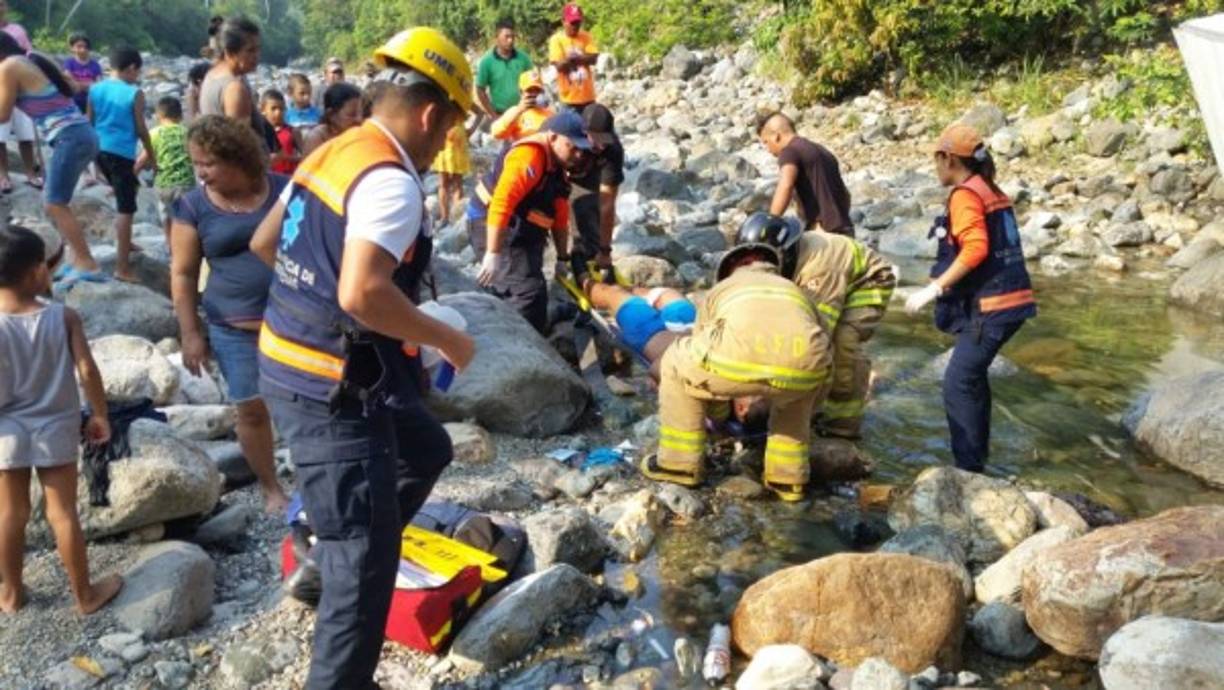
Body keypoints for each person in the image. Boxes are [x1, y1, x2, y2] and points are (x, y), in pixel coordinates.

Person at [248, 27, 475, 689]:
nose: (444, 147)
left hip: (290, 358)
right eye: (451, 129)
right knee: (366, 564)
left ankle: (323, 561)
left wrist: (329, 307)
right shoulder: (392, 182)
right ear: (433, 115)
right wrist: (443, 337)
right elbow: (361, 289)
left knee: (426, 448)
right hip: (332, 390)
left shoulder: (337, 150)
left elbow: (267, 243)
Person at [645, 241, 832, 501]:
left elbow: (702, 345)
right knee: (796, 400)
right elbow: (823, 337)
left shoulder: (723, 288)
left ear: (732, 268)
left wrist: (721, 408)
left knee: (677, 360)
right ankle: (788, 480)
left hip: (731, 365)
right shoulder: (794, 290)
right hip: (806, 370)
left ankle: (679, 465)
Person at [0, 225, 124, 615]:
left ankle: (12, 594)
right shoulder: (63, 317)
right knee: (63, 513)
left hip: (6, 428)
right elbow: (87, 370)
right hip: (55, 424)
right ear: (38, 270)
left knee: (10, 513)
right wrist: (100, 413)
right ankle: (84, 595)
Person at [170, 115, 289, 514]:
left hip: (294, 321)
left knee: (310, 402)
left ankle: (318, 473)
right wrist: (190, 332)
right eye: (196, 164)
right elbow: (183, 273)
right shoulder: (192, 205)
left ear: (238, 158)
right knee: (251, 408)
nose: (201, 174)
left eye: (209, 164)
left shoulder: (283, 191)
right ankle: (271, 487)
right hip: (233, 327)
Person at [905, 124, 1036, 473]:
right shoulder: (990, 189)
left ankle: (968, 470)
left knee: (958, 383)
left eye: (936, 160)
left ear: (948, 159)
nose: (935, 168)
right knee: (972, 377)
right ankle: (979, 460)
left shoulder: (966, 195)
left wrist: (933, 289)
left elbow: (976, 248)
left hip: (992, 307)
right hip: (1014, 301)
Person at [733, 213, 896, 439]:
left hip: (867, 282)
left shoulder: (819, 271)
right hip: (830, 281)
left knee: (842, 347)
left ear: (784, 255)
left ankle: (842, 427)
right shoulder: (784, 260)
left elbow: (817, 336)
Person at [468, 111, 591, 333]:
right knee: (527, 293)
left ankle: (537, 324)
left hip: (523, 229)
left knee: (534, 288)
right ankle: (514, 346)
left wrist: (562, 258)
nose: (578, 154)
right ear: (553, 137)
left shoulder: (557, 166)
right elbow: (501, 203)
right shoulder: (529, 156)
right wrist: (493, 253)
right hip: (490, 223)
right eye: (572, 146)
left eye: (581, 149)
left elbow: (560, 216)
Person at [0, 33, 103, 283]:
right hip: (79, 134)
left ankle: (87, 263)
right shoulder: (29, 60)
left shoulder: (9, 67)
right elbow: (74, 87)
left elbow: (2, 115)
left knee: (54, 203)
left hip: (70, 137)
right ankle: (77, 259)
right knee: (57, 201)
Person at [88, 46, 156, 284]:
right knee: (126, 208)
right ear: (131, 68)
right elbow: (140, 127)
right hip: (121, 153)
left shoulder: (95, 89)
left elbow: (90, 121)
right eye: (137, 72)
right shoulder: (134, 93)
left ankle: (126, 241)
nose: (137, 76)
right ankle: (122, 267)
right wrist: (151, 154)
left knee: (127, 190)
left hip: (99, 149)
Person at [757, 112, 854, 237]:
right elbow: (846, 195)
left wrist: (770, 222)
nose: (767, 148)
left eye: (766, 142)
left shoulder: (789, 151)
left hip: (824, 234)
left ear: (776, 136)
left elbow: (786, 185)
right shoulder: (823, 152)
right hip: (846, 230)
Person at [569, 103, 622, 280]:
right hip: (561, 167)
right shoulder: (568, 135)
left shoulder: (612, 150)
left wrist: (605, 250)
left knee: (588, 214)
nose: (601, 145)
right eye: (595, 139)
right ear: (583, 133)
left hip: (590, 174)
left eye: (604, 139)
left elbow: (607, 204)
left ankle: (587, 260)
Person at [136, 97, 194, 247]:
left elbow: (142, 160)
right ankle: (187, 246)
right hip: (186, 183)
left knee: (166, 217)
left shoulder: (154, 133)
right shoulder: (187, 132)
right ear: (180, 116)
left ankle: (170, 248)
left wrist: (130, 176)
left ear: (158, 116)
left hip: (163, 184)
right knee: (185, 218)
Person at [0, 0, 40, 193]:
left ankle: (31, 173)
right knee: (0, 135)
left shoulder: (17, 30)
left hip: (21, 88)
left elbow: (29, 54)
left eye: (1, 4)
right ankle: (3, 176)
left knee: (26, 135)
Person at [200, 17, 262, 136]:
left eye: (258, 49)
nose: (256, 56)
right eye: (250, 50)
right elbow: (241, 143)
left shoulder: (212, 75)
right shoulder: (234, 89)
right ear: (229, 52)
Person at [475, 18, 533, 119]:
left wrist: (529, 99)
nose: (510, 40)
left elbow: (532, 81)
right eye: (506, 37)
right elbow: (480, 90)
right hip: (502, 115)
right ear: (496, 38)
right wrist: (493, 115)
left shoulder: (523, 58)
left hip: (525, 111)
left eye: (512, 37)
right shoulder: (486, 62)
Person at [548, 3, 599, 115]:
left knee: (591, 130)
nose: (575, 26)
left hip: (588, 97)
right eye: (572, 23)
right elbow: (560, 66)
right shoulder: (556, 40)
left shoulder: (586, 36)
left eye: (578, 22)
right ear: (563, 21)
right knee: (569, 131)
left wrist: (572, 59)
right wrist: (582, 58)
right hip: (569, 100)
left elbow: (594, 58)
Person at [490, 69, 552, 142]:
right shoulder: (515, 112)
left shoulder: (549, 112)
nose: (534, 93)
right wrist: (519, 110)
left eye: (537, 90)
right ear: (521, 92)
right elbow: (496, 133)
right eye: (530, 90)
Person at [431, 116, 474, 224]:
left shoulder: (442, 100)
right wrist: (472, 129)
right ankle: (455, 220)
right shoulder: (461, 101)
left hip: (444, 136)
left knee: (443, 184)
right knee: (457, 184)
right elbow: (480, 112)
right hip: (457, 138)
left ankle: (444, 218)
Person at [301, 82, 362, 156]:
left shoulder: (359, 134)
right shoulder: (317, 138)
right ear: (331, 115)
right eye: (351, 115)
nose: (359, 119)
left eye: (360, 113)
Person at [260, 89, 300, 175]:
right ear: (263, 110)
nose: (278, 112)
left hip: (289, 177)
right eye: (273, 109)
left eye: (281, 109)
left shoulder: (292, 131)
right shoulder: (260, 134)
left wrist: (286, 158)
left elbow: (305, 157)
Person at [62, 33, 102, 114]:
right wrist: (89, 85)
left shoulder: (95, 65)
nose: (83, 50)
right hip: (73, 103)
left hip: (91, 103)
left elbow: (99, 86)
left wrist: (80, 85)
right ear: (72, 48)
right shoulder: (69, 63)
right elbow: (71, 84)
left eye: (85, 47)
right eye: (79, 46)